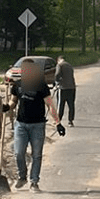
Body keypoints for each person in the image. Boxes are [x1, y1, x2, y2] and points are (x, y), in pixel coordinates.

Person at [5, 59, 63, 191]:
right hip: (21, 124)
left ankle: (34, 182)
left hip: (37, 125)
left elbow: (50, 104)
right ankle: (22, 177)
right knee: (19, 152)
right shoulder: (18, 85)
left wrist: (58, 123)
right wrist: (6, 107)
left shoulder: (41, 86)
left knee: (36, 155)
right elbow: (13, 101)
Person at [54, 55, 76, 125]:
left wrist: (57, 82)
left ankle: (58, 120)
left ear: (58, 60)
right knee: (71, 105)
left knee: (61, 104)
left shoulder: (59, 65)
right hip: (72, 87)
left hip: (63, 87)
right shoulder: (69, 65)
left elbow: (57, 74)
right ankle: (70, 120)